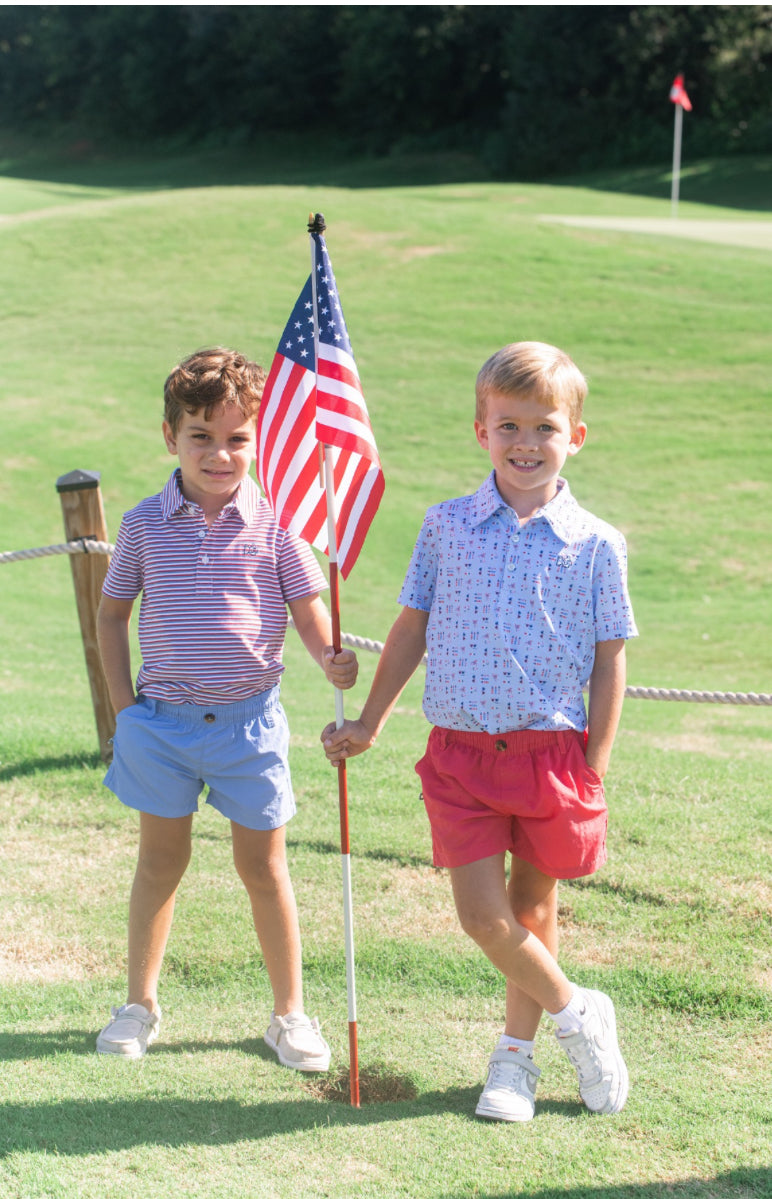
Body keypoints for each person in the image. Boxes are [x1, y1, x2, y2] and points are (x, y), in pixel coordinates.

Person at [322, 341, 637, 1121]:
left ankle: (516, 1060)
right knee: (481, 915)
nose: (526, 443)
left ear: (576, 436)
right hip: (460, 754)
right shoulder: (447, 527)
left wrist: (593, 762)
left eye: (545, 427)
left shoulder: (597, 543)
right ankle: (579, 1012)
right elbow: (409, 631)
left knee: (533, 913)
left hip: (552, 754)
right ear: (480, 430)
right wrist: (368, 720)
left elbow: (610, 661)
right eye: (509, 426)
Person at [96, 347, 357, 1069]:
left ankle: (289, 1016)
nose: (220, 453)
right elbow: (111, 614)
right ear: (169, 436)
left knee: (265, 868)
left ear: (258, 440)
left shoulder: (277, 525)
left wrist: (332, 653)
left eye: (237, 438)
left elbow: (309, 615)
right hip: (163, 726)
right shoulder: (144, 523)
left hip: (250, 725)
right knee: (160, 862)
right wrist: (126, 711)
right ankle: (138, 1004)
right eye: (201, 436)